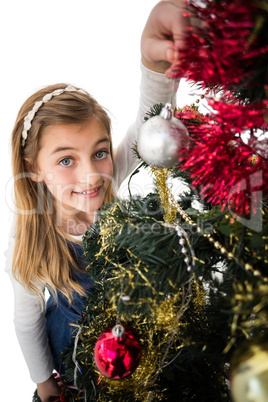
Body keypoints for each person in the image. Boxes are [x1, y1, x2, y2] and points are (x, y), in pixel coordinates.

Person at [5, 1, 190, 401]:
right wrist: (43, 383)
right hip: (77, 378)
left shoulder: (105, 194)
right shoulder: (30, 235)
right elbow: (27, 322)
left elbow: (148, 127)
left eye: (100, 152)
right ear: (33, 168)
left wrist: (153, 66)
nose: (91, 174)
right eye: (67, 159)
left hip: (136, 362)